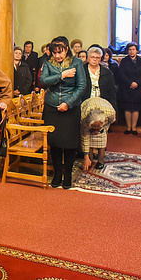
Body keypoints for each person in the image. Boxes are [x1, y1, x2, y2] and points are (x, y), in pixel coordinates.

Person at [40, 36, 86, 189]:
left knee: (69, 143)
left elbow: (81, 87)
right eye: (54, 53)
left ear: (67, 50)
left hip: (70, 107)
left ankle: (68, 174)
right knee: (55, 142)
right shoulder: (48, 63)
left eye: (60, 52)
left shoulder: (76, 62)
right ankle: (57, 173)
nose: (57, 56)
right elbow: (43, 81)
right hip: (52, 107)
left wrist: (68, 103)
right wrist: (62, 75)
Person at [118, 42, 141, 135]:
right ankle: (128, 127)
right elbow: (121, 74)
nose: (131, 51)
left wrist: (137, 83)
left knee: (135, 108)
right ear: (128, 51)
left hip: (138, 88)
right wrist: (130, 83)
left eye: (133, 49)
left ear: (137, 51)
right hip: (127, 87)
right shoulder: (124, 61)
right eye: (130, 50)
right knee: (127, 108)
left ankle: (134, 128)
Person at [80, 97, 116, 171]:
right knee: (89, 141)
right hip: (87, 104)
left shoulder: (110, 113)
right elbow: (85, 137)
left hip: (105, 106)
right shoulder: (84, 118)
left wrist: (101, 129)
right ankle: (90, 159)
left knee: (102, 139)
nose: (96, 128)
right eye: (94, 126)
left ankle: (100, 161)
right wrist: (86, 156)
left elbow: (110, 122)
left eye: (97, 125)